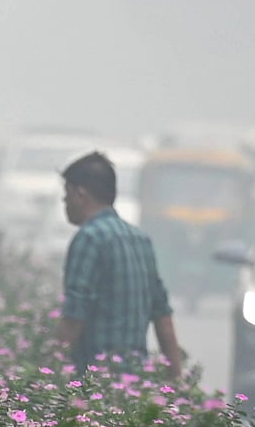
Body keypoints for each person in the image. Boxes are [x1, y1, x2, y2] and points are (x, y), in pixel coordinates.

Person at [58, 152, 182, 378]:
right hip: (133, 383)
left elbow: (75, 316)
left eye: (66, 195)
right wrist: (177, 380)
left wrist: (51, 369)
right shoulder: (139, 239)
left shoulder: (89, 238)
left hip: (95, 380)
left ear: (80, 194)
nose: (64, 203)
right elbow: (163, 317)